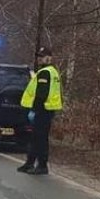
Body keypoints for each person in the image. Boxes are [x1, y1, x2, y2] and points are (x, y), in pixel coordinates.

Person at [18, 47, 63, 175]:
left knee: (40, 138)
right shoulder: (52, 71)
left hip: (42, 110)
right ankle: (30, 163)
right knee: (35, 137)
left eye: (42, 56)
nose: (39, 59)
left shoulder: (45, 72)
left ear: (49, 57)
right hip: (47, 109)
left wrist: (34, 110)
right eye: (38, 56)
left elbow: (41, 94)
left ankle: (42, 165)